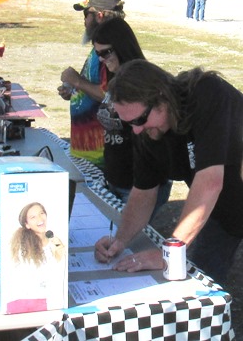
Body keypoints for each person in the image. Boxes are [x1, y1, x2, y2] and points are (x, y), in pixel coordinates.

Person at [94, 59, 243, 286]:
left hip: (222, 192)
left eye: (140, 119)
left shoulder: (207, 94)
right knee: (202, 281)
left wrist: (168, 251)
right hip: (223, 210)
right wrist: (120, 240)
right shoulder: (146, 131)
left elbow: (210, 181)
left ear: (162, 96)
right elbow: (144, 191)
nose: (136, 129)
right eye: (129, 123)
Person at [91, 18, 172, 210]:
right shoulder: (113, 76)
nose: (101, 59)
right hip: (115, 177)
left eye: (106, 52)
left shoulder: (141, 81)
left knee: (130, 238)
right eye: (97, 53)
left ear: (122, 46)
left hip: (140, 184)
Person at [58, 0, 125, 167]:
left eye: (86, 14)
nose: (85, 21)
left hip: (100, 155)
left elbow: (110, 96)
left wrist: (77, 81)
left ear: (99, 16)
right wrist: (74, 90)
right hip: (89, 152)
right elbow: (96, 85)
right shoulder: (103, 45)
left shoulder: (110, 50)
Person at [7, 202, 66, 313]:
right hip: (29, 302)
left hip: (48, 300)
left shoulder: (53, 240)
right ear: (27, 224)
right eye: (33, 217)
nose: (39, 218)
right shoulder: (24, 247)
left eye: (41, 213)